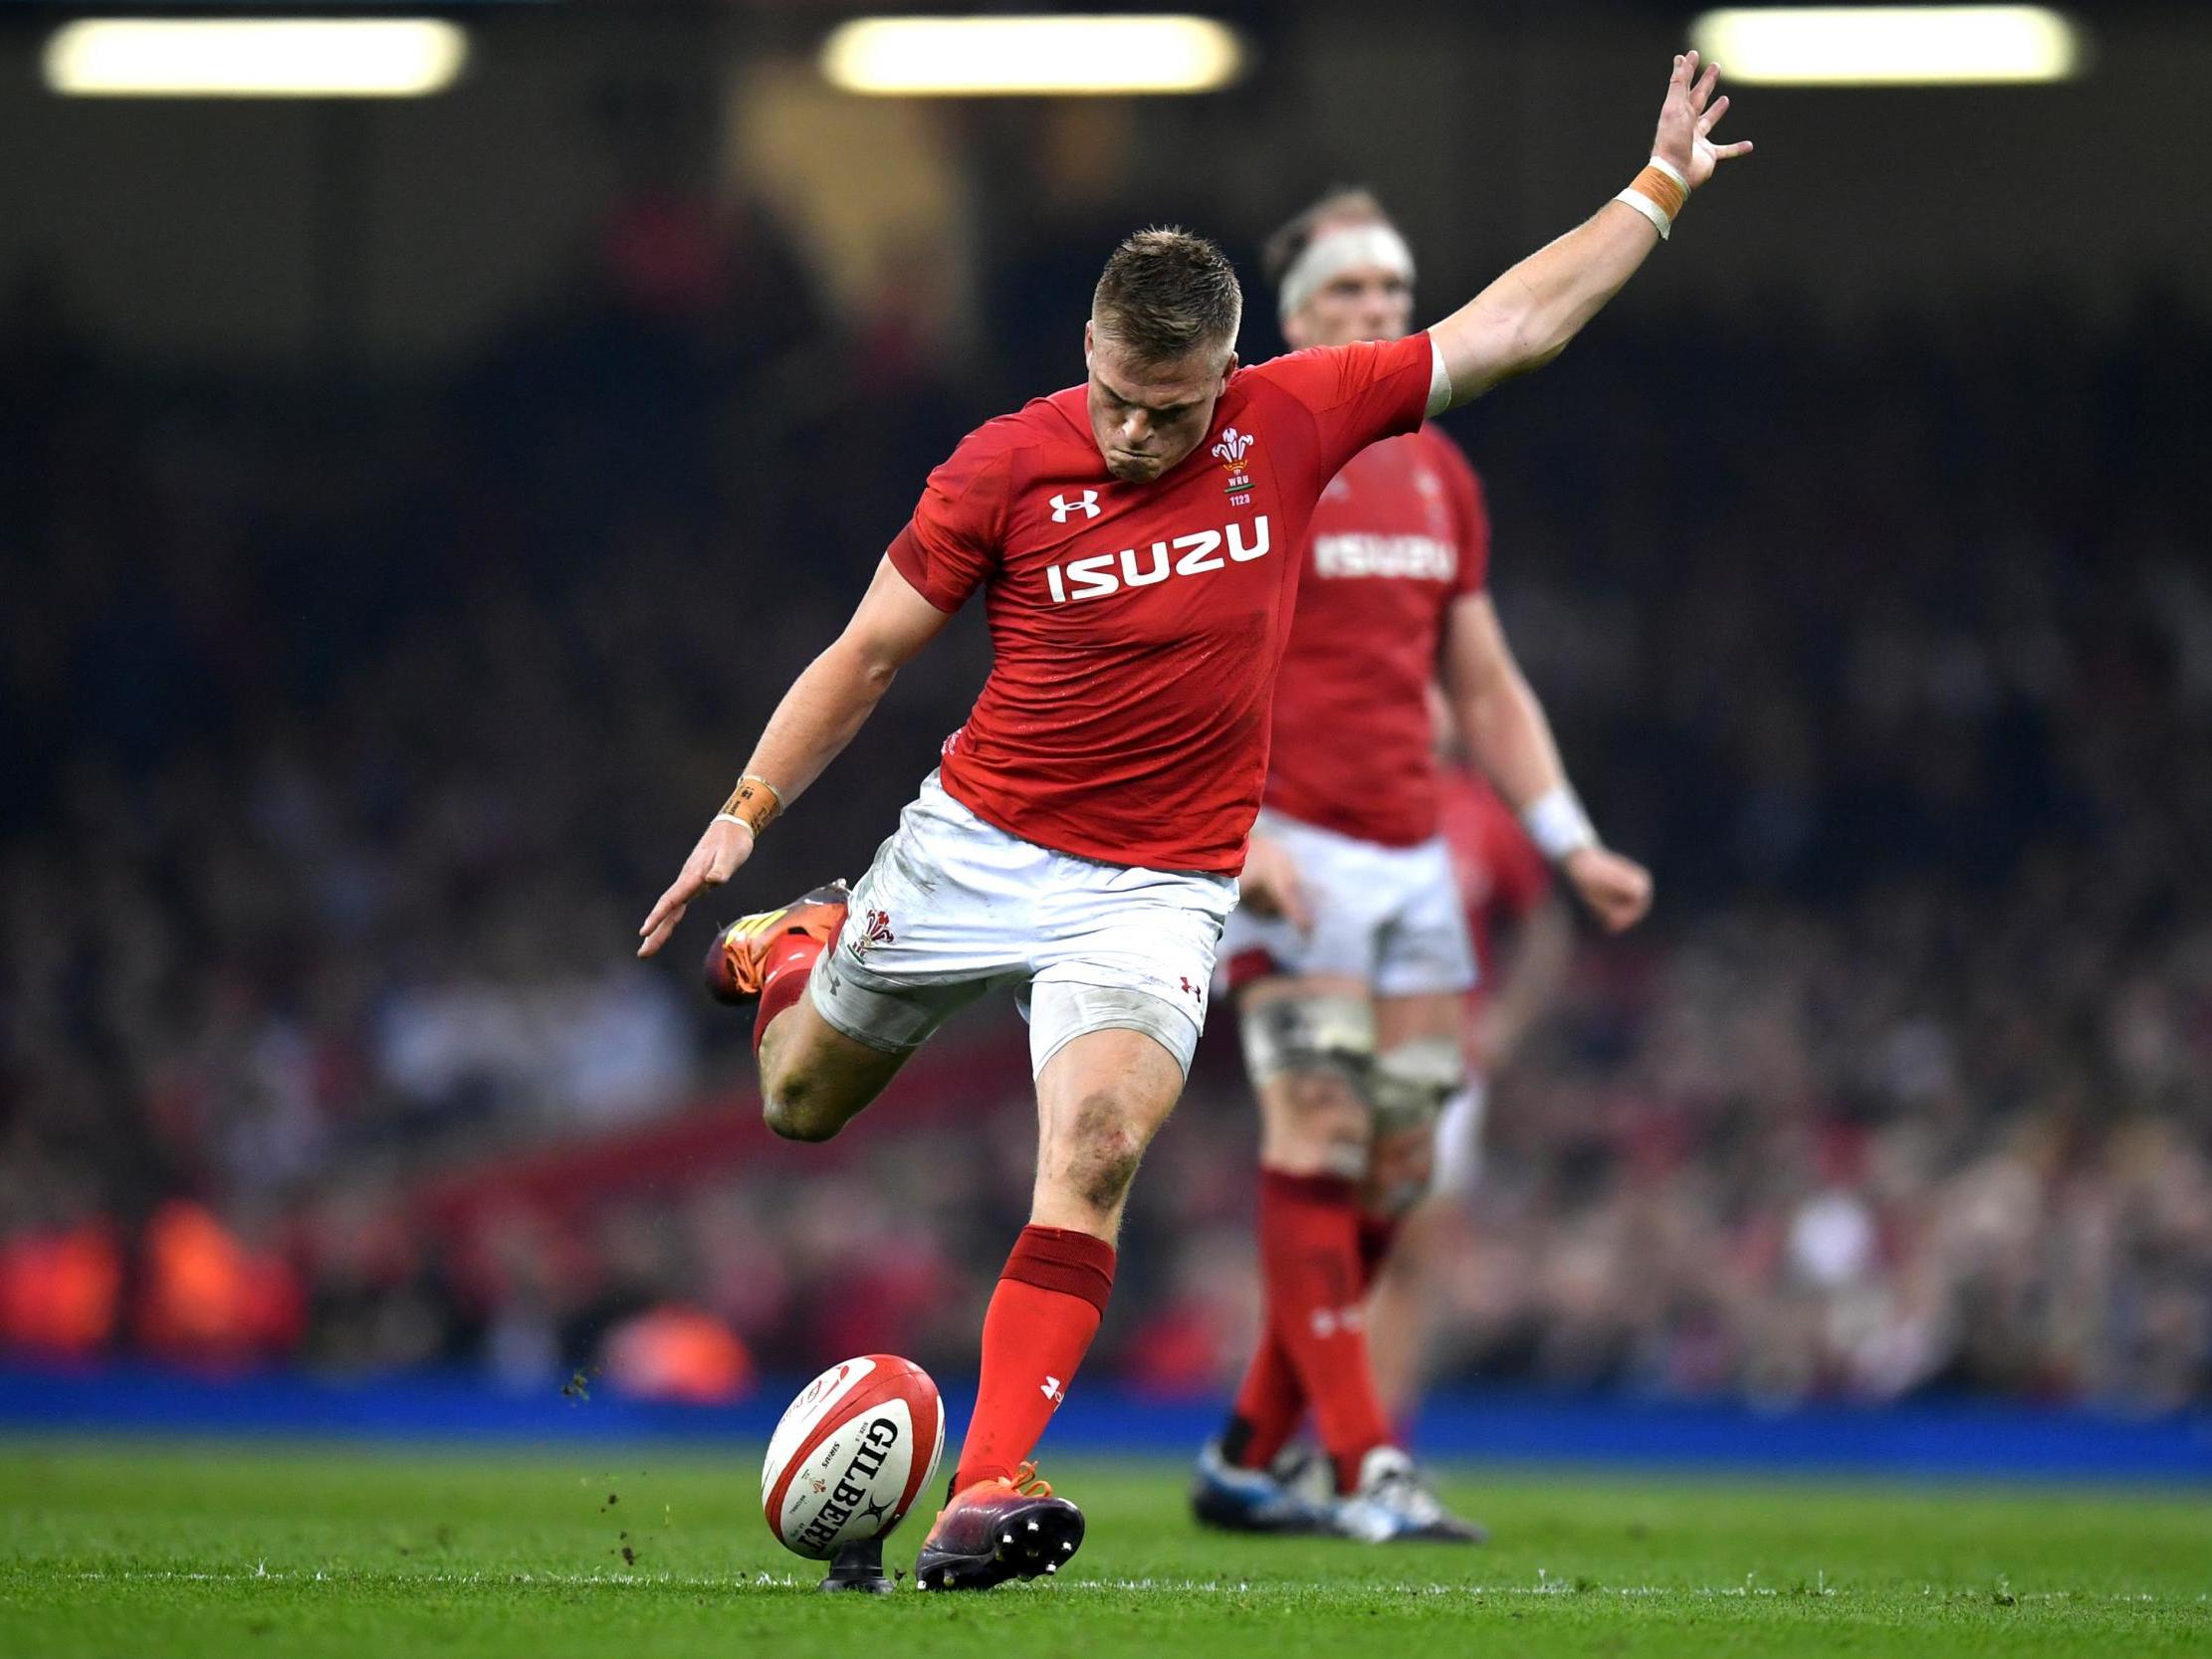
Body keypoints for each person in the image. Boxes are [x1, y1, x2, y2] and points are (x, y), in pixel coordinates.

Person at [636, 53, 1749, 1590]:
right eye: (1111, 395)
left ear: (1224, 375)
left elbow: (1511, 326)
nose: (1134, 433)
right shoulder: (1001, 463)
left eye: (1165, 409)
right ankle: (795, 953)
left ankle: (992, 1480)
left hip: (1152, 884)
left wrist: (1661, 185)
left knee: (1090, 1149)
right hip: (973, 843)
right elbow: (867, 653)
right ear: (1082, 349)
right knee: (799, 1108)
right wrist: (742, 817)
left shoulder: (1290, 423)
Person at [1189, 190, 1652, 1544]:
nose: (1378, 317)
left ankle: (1242, 1458)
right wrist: (1238, 822)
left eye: (1394, 296)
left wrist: (1569, 839)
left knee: (1400, 1178)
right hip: (1288, 847)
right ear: (1289, 320)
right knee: (1317, 1134)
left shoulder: (1439, 475)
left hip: (1407, 859)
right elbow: (1187, 654)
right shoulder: (1249, 451)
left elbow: (1485, 681)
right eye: (1348, 297)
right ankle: (1366, 1461)